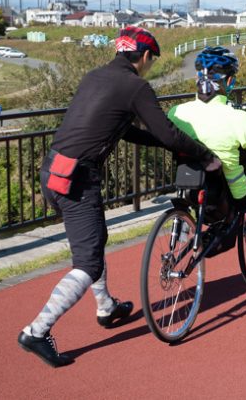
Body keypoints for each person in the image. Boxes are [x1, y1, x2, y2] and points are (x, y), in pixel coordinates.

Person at [17, 27, 221, 368]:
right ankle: (37, 331)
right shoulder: (136, 86)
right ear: (143, 57)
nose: (151, 65)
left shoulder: (95, 77)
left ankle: (106, 307)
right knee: (88, 263)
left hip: (53, 171)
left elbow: (126, 131)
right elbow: (166, 131)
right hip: (78, 179)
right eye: (152, 59)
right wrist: (204, 155)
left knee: (94, 243)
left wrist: (164, 142)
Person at [168, 46, 246, 216]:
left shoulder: (176, 112)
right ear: (230, 81)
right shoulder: (239, 119)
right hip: (234, 195)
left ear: (197, 78)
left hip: (189, 185)